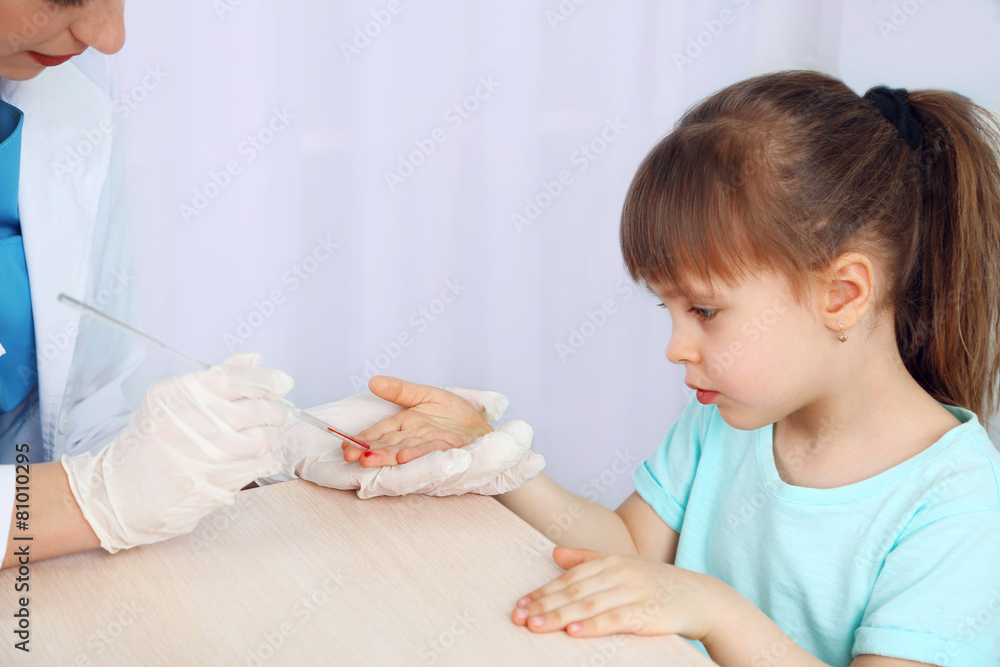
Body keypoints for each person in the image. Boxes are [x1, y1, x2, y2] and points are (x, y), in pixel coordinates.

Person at [348, 71, 1000, 666]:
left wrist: (714, 611)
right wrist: (493, 457)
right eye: (670, 308)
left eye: (707, 310)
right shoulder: (729, 416)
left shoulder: (959, 502)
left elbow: (682, 595)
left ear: (842, 295)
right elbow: (629, 547)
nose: (676, 346)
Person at [0, 1, 543, 570]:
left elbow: (72, 420)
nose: (109, 38)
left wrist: (263, 452)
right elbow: (91, 486)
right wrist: (89, 501)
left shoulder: (64, 97)